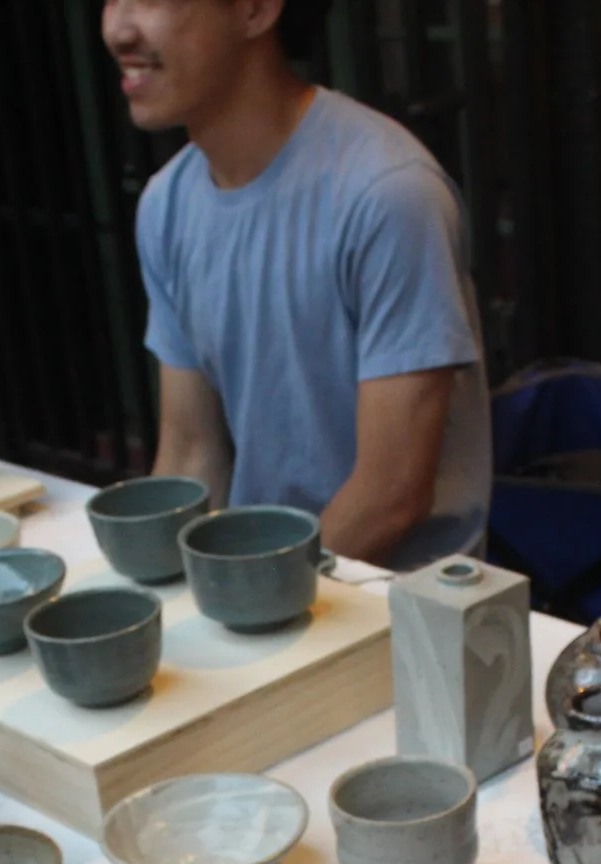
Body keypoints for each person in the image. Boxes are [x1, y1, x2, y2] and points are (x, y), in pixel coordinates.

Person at [108, 0, 491, 571]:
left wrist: (242, 599)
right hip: (257, 585)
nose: (118, 29)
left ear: (256, 10)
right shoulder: (167, 203)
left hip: (397, 612)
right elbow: (191, 456)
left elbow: (390, 499)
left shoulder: (387, 192)